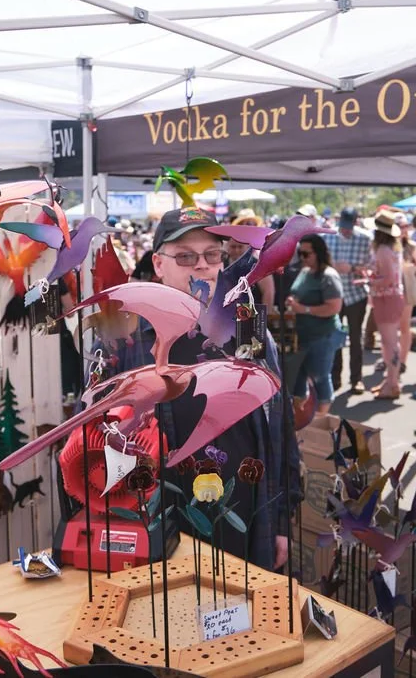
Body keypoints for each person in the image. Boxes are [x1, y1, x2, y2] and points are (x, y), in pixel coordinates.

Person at [98, 206, 302, 571]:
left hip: (244, 511)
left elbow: (281, 427)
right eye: (186, 256)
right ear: (159, 264)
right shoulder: (127, 340)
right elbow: (97, 432)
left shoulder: (248, 332)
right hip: (160, 514)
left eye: (212, 255)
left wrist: (282, 520)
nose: (202, 266)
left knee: (240, 615)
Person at [286, 234, 346, 415]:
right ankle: (305, 419)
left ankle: (321, 419)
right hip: (303, 335)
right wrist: (293, 301)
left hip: (322, 335)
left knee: (320, 377)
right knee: (300, 377)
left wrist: (303, 309)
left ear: (319, 253)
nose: (302, 258)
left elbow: (334, 307)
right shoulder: (305, 272)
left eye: (306, 254)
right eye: (300, 253)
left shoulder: (329, 276)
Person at [325, 206, 372, 394]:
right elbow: (321, 264)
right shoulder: (328, 237)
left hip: (356, 295)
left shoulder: (365, 239)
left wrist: (352, 268)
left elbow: (370, 266)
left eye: (348, 226)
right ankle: (335, 379)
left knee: (355, 338)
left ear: (355, 222)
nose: (345, 230)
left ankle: (356, 379)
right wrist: (335, 267)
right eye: (342, 226)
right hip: (334, 295)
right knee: (335, 338)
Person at [367, 215, 406, 400]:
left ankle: (392, 384)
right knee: (388, 342)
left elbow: (388, 278)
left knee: (389, 343)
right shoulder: (391, 249)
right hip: (390, 298)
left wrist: (371, 281)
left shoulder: (382, 249)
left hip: (386, 299)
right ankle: (390, 381)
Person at [227, 208, 275, 306]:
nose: (248, 226)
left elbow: (268, 292)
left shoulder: (260, 257)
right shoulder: (224, 260)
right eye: (244, 224)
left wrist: (263, 318)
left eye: (250, 223)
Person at [397, 213, 416, 374]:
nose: (404, 230)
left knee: (404, 326)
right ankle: (391, 359)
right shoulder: (387, 245)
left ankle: (402, 360)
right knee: (390, 328)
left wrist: (408, 268)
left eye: (406, 226)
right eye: (401, 227)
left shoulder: (412, 246)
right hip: (390, 289)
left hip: (406, 288)